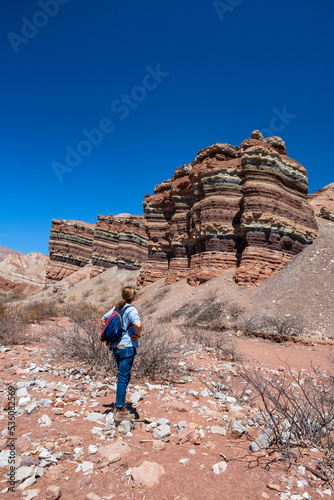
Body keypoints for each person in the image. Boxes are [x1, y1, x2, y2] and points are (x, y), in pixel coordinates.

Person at [101, 286, 142, 422]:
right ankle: (120, 409)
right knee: (123, 377)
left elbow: (103, 319)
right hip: (127, 347)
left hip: (116, 346)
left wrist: (115, 334)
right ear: (133, 297)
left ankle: (120, 404)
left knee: (123, 376)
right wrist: (137, 335)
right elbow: (138, 323)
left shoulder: (117, 308)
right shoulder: (131, 309)